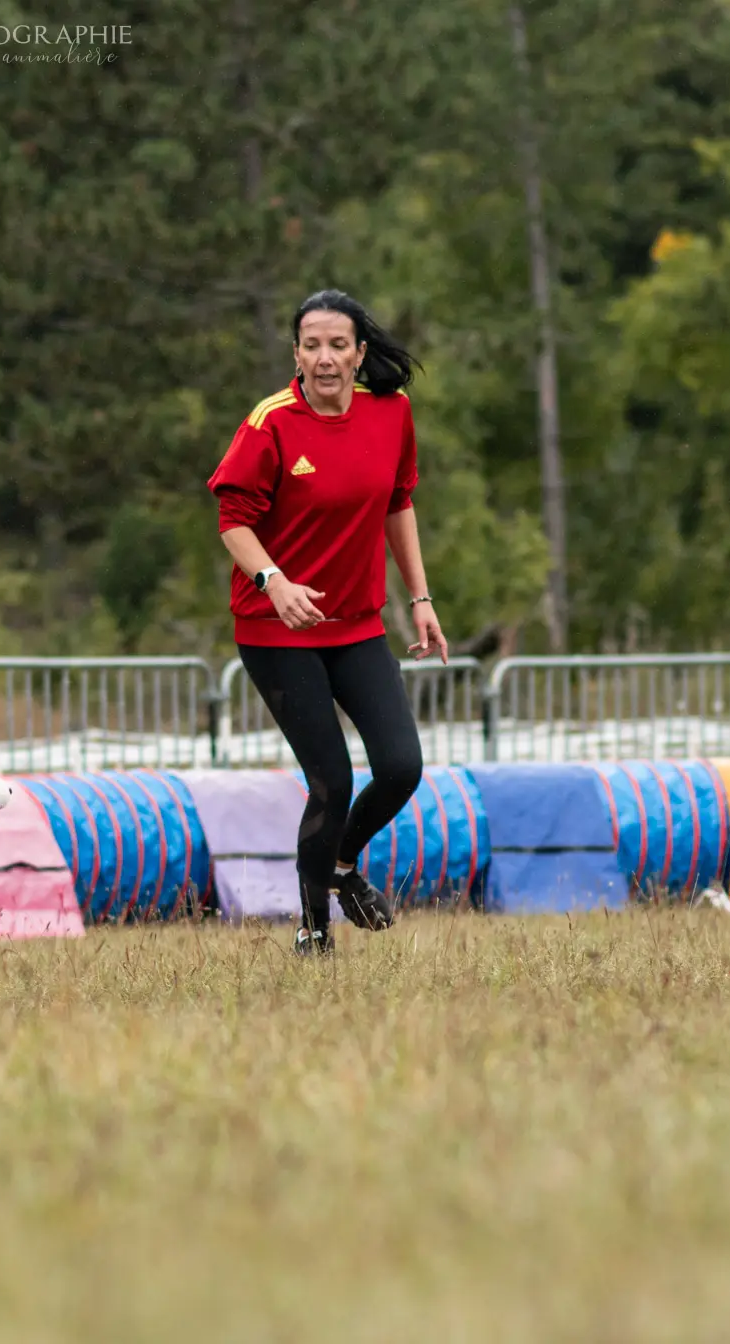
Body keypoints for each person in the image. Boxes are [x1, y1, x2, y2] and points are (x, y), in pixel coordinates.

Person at [206, 288, 447, 954]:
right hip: (275, 629)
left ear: (360, 352)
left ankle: (341, 867)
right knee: (332, 780)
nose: (325, 358)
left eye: (338, 345)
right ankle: (314, 932)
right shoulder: (270, 423)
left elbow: (399, 503)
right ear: (296, 353)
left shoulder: (391, 411)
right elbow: (234, 522)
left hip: (357, 624)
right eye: (311, 345)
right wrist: (273, 581)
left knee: (401, 766)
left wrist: (420, 599)